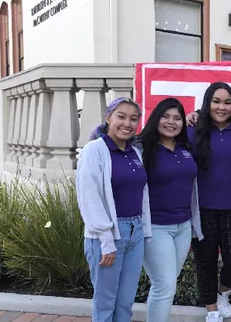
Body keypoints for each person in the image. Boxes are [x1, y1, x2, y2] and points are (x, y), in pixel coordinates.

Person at [76, 97, 151, 322]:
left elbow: (142, 194)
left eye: (133, 119)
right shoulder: (95, 151)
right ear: (108, 117)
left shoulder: (134, 152)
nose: (127, 123)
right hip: (108, 235)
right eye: (121, 116)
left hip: (134, 232)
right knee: (105, 303)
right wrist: (106, 241)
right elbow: (90, 197)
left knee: (125, 301)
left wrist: (143, 231)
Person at [188, 83, 231, 322]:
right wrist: (190, 115)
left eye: (227, 102)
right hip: (202, 208)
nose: (221, 107)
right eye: (216, 101)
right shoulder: (194, 129)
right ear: (207, 103)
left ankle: (223, 292)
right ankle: (211, 309)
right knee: (205, 261)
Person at [138, 97, 204, 322]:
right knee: (164, 285)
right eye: (165, 116)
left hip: (183, 226)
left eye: (177, 118)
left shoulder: (185, 149)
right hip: (155, 228)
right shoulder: (142, 149)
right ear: (156, 118)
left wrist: (196, 113)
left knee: (167, 283)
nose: (171, 122)